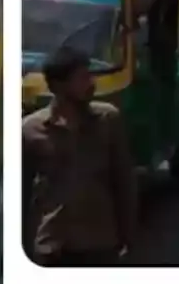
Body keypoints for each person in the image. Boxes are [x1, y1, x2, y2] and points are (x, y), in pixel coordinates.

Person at [22, 48, 136, 266]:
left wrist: (127, 236)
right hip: (51, 248)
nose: (92, 83)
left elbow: (124, 183)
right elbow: (21, 192)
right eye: (82, 78)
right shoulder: (30, 131)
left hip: (99, 246)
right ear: (58, 86)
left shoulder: (108, 120)